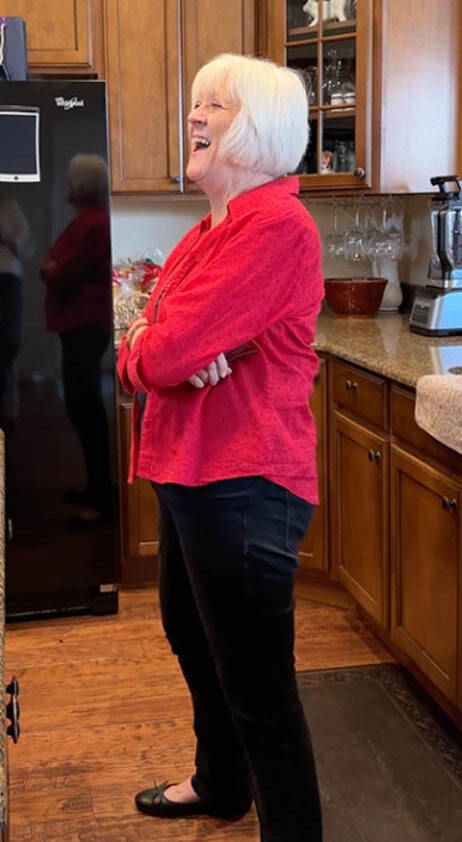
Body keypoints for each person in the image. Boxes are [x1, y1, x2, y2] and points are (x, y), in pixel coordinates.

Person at [118, 53, 324, 842]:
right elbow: (150, 336)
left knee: (259, 687)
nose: (194, 116)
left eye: (217, 107)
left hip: (244, 481)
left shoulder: (273, 226)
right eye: (197, 103)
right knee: (195, 639)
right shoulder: (207, 231)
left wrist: (158, 349)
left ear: (260, 130)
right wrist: (156, 344)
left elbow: (158, 354)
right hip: (191, 475)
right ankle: (221, 783)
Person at [40, 153, 113, 526]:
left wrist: (50, 269)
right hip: (82, 323)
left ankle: (102, 499)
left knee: (86, 411)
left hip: (85, 323)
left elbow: (58, 272)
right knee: (84, 409)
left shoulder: (91, 224)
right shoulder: (91, 222)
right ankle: (96, 487)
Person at [0, 193, 30, 423]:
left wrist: (5, 237)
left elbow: (24, 245)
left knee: (11, 340)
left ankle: (9, 396)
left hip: (10, 277)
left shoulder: (12, 207)